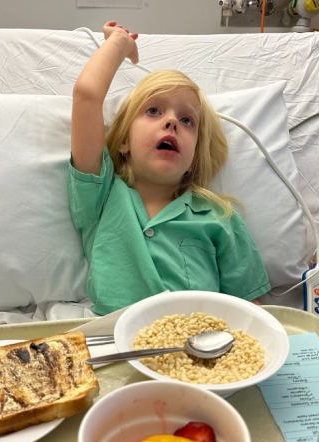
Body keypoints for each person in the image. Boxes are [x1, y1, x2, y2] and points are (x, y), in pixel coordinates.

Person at [70, 21, 270, 315]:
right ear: (124, 141)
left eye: (187, 120)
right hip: (116, 347)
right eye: (153, 110)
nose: (172, 121)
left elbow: (251, 312)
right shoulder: (99, 198)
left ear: (194, 157)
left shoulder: (220, 217)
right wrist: (119, 43)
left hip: (199, 349)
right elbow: (87, 94)